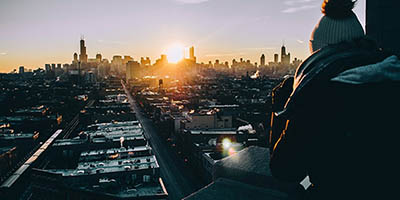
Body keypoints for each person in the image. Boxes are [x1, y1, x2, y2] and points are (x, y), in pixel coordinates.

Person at [269, 0, 400, 199]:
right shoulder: (391, 77)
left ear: (318, 52)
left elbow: (285, 169)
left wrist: (282, 108)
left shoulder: (318, 94)